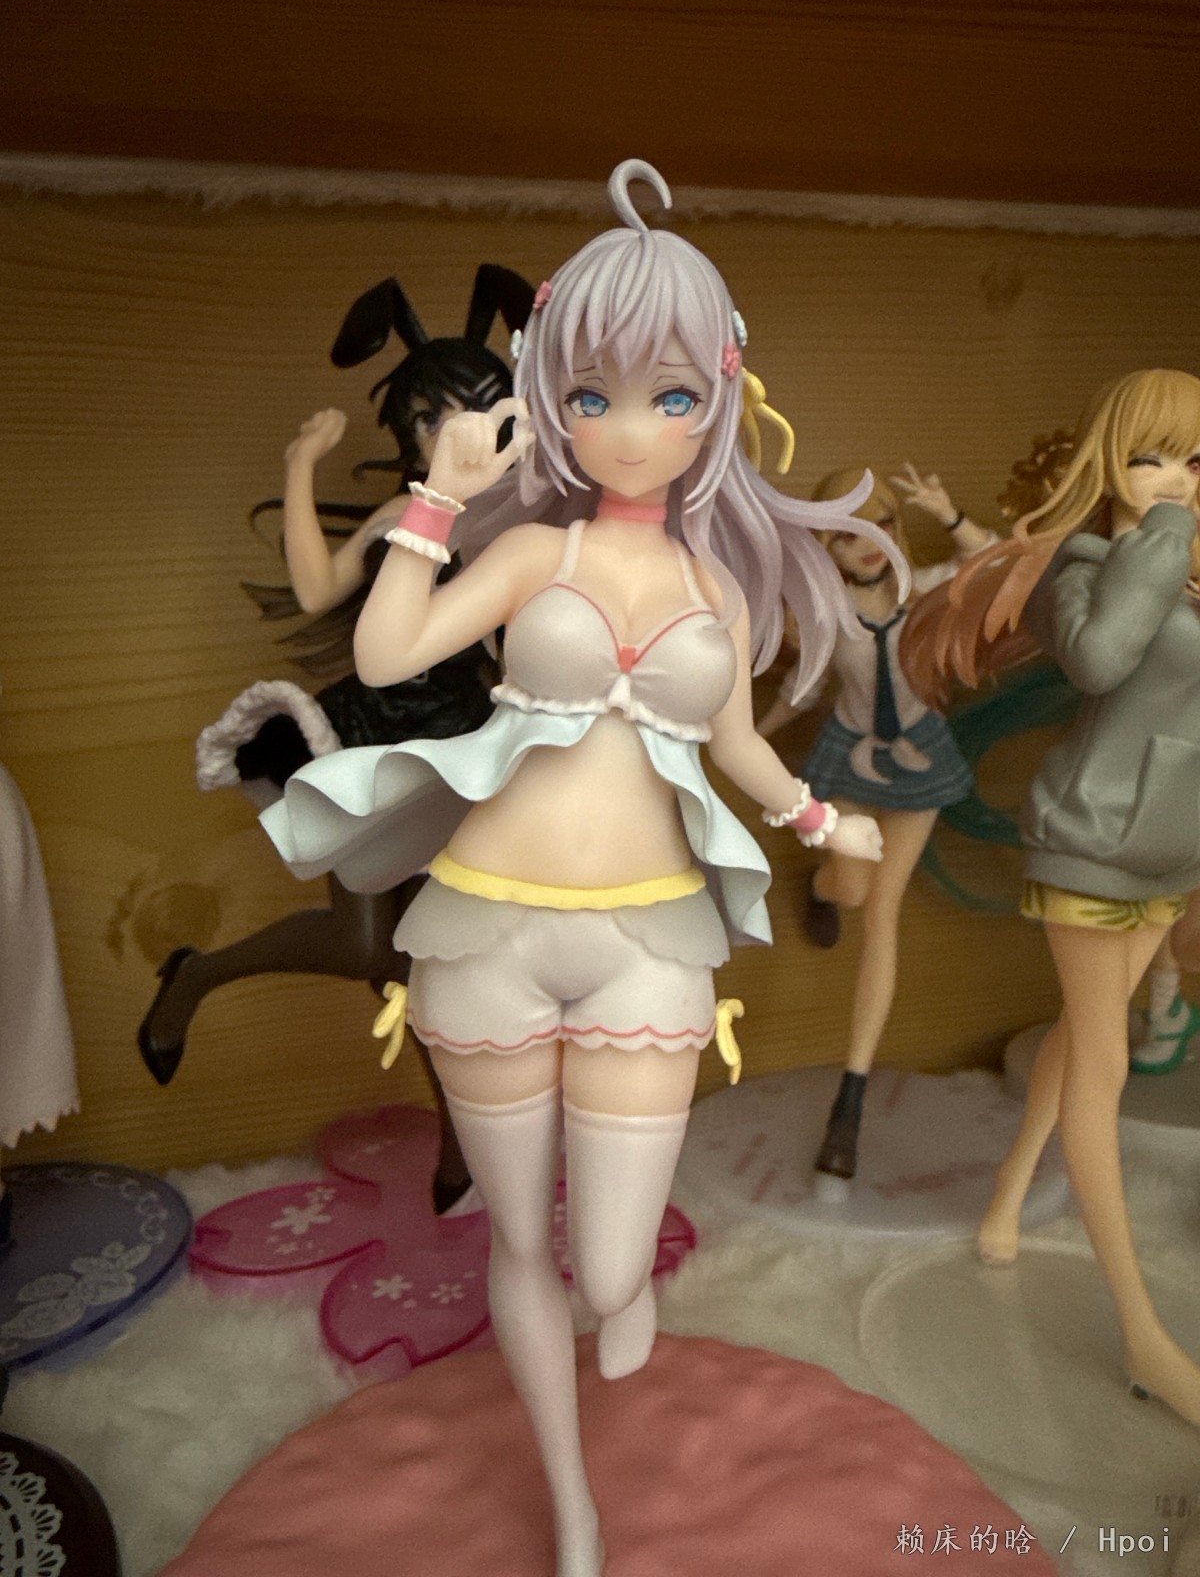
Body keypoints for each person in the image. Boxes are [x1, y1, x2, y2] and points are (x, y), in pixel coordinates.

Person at [260, 159, 904, 1575]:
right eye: (594, 394)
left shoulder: (718, 586)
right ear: (554, 397)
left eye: (669, 396)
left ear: (718, 398)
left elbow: (737, 743)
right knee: (520, 1244)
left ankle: (625, 1303)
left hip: (648, 941)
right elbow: (385, 649)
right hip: (485, 932)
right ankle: (572, 1508)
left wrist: (820, 822)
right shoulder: (533, 553)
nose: (628, 428)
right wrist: (438, 497)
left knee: (613, 1267)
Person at [138, 266, 533, 1213]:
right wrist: (302, 464)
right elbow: (320, 591)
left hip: (466, 745)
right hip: (377, 743)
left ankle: (460, 1155)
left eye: (482, 412)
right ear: (409, 433)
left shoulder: (522, 524)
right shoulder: (409, 514)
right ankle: (195, 976)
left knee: (434, 964)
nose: (460, 436)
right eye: (435, 420)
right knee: (368, 950)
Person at [902, 367, 1200, 1428]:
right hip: (1092, 841)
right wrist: (1163, 536)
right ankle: (1144, 1335)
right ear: (1108, 461)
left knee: (1085, 1035)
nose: (1177, 479)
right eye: (1152, 457)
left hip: (1173, 849)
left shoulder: (1190, 574)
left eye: (1196, 460)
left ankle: (1003, 1202)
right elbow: (1105, 660)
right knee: (1104, 1063)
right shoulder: (1081, 569)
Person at [759, 464, 993, 1184]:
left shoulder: (924, 589)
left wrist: (950, 514)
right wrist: (749, 739)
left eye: (881, 523)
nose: (867, 543)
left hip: (920, 760)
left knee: (882, 912)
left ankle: (850, 1102)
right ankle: (822, 888)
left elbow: (993, 562)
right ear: (824, 545)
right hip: (850, 757)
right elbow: (804, 689)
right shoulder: (828, 613)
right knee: (854, 890)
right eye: (845, 533)